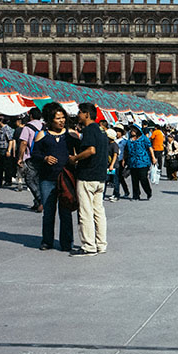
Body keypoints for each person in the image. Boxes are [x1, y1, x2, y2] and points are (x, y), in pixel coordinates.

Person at [32, 103, 76, 251]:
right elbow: (35, 155)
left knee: (66, 212)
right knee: (49, 212)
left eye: (63, 117)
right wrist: (45, 158)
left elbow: (80, 150)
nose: (62, 120)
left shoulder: (70, 134)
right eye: (58, 118)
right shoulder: (42, 135)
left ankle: (67, 242)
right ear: (50, 120)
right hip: (47, 179)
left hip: (65, 179)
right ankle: (47, 241)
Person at [68, 103, 108, 257]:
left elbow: (91, 150)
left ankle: (88, 246)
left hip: (87, 176)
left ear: (86, 114)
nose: (78, 115)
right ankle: (101, 244)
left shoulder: (89, 130)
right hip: (100, 177)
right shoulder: (101, 131)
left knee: (85, 212)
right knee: (99, 212)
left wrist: (75, 158)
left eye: (79, 113)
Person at [17, 108, 44, 212]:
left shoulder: (27, 127)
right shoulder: (44, 125)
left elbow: (23, 143)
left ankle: (40, 199)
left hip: (31, 157)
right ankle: (37, 202)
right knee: (38, 179)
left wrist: (20, 158)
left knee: (29, 179)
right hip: (43, 156)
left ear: (31, 115)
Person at [124, 124, 156, 200]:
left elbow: (150, 148)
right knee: (134, 180)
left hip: (143, 162)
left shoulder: (144, 138)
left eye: (133, 130)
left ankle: (148, 192)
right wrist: (124, 160)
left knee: (143, 178)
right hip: (133, 162)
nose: (132, 132)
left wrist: (153, 158)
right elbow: (126, 151)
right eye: (131, 130)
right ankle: (136, 195)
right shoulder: (129, 140)